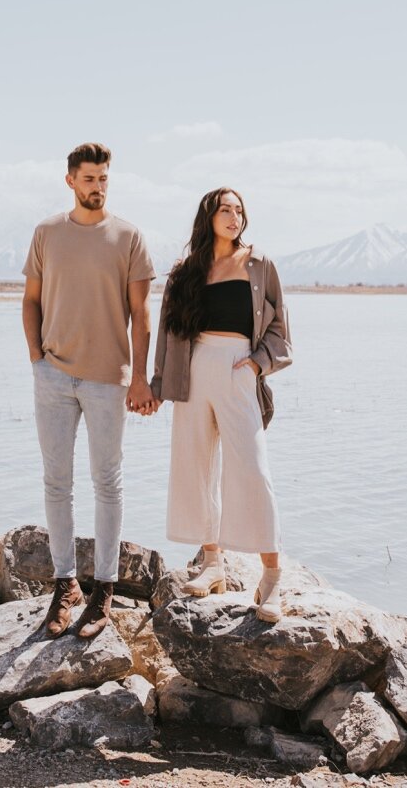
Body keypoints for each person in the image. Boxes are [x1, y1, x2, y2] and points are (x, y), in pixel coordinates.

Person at [22, 142, 156, 639]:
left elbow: (141, 314)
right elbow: (30, 300)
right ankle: (65, 585)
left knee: (108, 483)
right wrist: (37, 360)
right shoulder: (46, 233)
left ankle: (103, 590)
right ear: (70, 181)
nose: (97, 187)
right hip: (53, 377)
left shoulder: (128, 236)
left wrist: (139, 376)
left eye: (103, 179)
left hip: (107, 379)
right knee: (56, 482)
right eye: (89, 179)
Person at [150, 187, 292, 622]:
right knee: (194, 466)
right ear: (208, 217)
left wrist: (255, 366)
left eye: (239, 210)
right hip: (192, 369)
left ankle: (271, 576)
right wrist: (158, 383)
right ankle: (212, 562)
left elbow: (280, 328)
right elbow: (167, 331)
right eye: (225, 209)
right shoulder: (186, 271)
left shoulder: (259, 264)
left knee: (251, 468)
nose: (234, 216)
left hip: (237, 369)